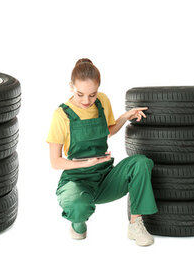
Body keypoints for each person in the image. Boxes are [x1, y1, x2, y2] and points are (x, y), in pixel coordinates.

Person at [46, 59, 158, 246]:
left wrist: (125, 116)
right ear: (71, 86)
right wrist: (85, 163)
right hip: (77, 181)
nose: (86, 101)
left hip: (105, 178)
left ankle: (135, 224)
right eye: (80, 94)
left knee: (141, 163)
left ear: (98, 89)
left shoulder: (102, 101)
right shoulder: (61, 115)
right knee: (78, 206)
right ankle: (78, 225)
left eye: (92, 94)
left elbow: (108, 131)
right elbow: (55, 162)